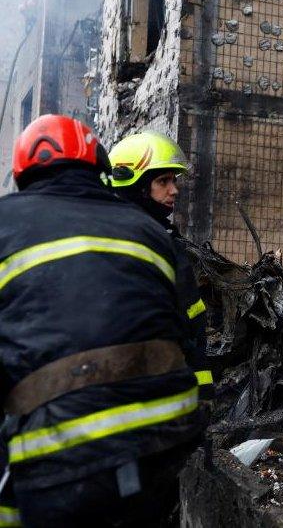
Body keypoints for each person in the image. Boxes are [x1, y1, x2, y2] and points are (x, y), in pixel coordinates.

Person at [0, 115, 204, 525]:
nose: (174, 191)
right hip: (165, 433)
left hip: (55, 454)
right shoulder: (150, 234)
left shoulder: (8, 222)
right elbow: (190, 332)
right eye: (164, 181)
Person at [108, 131, 214, 402]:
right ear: (135, 185)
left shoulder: (161, 237)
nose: (174, 190)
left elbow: (191, 325)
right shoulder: (132, 243)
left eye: (173, 181)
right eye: (163, 181)